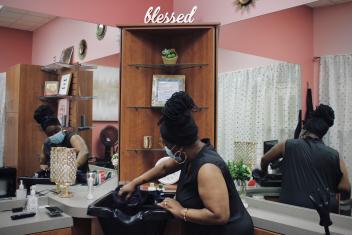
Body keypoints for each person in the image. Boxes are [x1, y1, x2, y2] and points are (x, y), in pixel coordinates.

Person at [118, 92, 253, 235]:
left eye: (165, 143)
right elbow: (164, 168)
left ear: (177, 147)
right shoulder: (190, 154)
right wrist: (134, 183)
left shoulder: (207, 169)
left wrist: (180, 211)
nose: (165, 147)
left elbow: (219, 215)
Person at [260, 104, 351, 212]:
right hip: (322, 216)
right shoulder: (335, 155)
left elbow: (264, 159)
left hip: (290, 211)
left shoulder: (286, 145)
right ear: (323, 133)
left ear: (304, 129)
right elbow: (345, 188)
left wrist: (265, 175)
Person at [33, 104, 89, 172]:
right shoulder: (47, 143)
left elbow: (84, 152)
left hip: (78, 178)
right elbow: (43, 162)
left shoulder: (72, 137)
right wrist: (44, 168)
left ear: (60, 126)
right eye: (50, 134)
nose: (54, 134)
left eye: (56, 131)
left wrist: (73, 167)